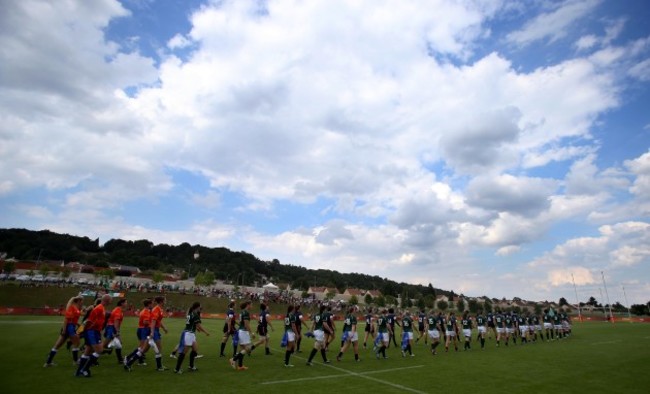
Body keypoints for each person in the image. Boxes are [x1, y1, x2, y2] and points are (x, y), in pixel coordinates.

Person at [75, 294, 112, 377]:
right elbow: (89, 321)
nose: (111, 301)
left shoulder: (101, 308)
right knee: (99, 350)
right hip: (92, 332)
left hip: (94, 332)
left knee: (87, 352)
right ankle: (84, 369)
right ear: (107, 300)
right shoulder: (99, 308)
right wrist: (81, 331)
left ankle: (78, 372)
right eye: (110, 300)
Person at [44, 295, 83, 367]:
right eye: (81, 301)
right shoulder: (72, 307)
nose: (82, 303)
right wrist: (64, 330)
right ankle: (75, 361)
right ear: (78, 301)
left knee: (58, 345)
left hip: (70, 327)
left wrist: (77, 324)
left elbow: (72, 319)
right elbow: (66, 319)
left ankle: (48, 362)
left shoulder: (74, 308)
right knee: (77, 343)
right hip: (69, 328)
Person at [174, 302, 210, 373]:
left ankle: (191, 366)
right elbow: (199, 325)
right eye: (200, 307)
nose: (200, 308)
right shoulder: (195, 314)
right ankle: (177, 368)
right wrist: (206, 332)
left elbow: (192, 324)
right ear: (197, 307)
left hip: (190, 334)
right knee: (184, 352)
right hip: (189, 334)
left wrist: (197, 328)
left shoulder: (190, 313)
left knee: (195, 349)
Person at [124, 299, 153, 370]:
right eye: (151, 304)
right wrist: (153, 324)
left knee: (143, 347)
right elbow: (145, 322)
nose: (152, 305)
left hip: (142, 330)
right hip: (144, 330)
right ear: (148, 304)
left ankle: (140, 360)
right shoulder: (146, 312)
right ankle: (128, 359)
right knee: (143, 348)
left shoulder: (145, 311)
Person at [229, 301, 254, 371]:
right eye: (251, 305)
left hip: (240, 331)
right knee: (248, 348)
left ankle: (240, 366)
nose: (252, 306)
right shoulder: (246, 312)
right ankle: (233, 359)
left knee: (242, 349)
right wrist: (251, 333)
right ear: (248, 305)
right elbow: (246, 324)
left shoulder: (242, 312)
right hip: (243, 332)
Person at [102, 298, 127, 364]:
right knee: (104, 345)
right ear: (122, 303)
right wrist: (118, 333)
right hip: (112, 328)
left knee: (118, 344)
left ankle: (120, 359)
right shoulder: (118, 311)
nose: (126, 304)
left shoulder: (118, 310)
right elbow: (116, 323)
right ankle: (90, 355)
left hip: (111, 328)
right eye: (125, 302)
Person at [151, 296, 169, 370]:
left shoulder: (160, 309)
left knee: (144, 349)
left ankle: (160, 366)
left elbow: (158, 321)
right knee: (158, 348)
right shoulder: (156, 309)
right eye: (165, 300)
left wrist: (164, 327)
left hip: (156, 330)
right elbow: (153, 321)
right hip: (154, 330)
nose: (165, 302)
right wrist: (152, 332)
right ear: (161, 301)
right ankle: (159, 366)